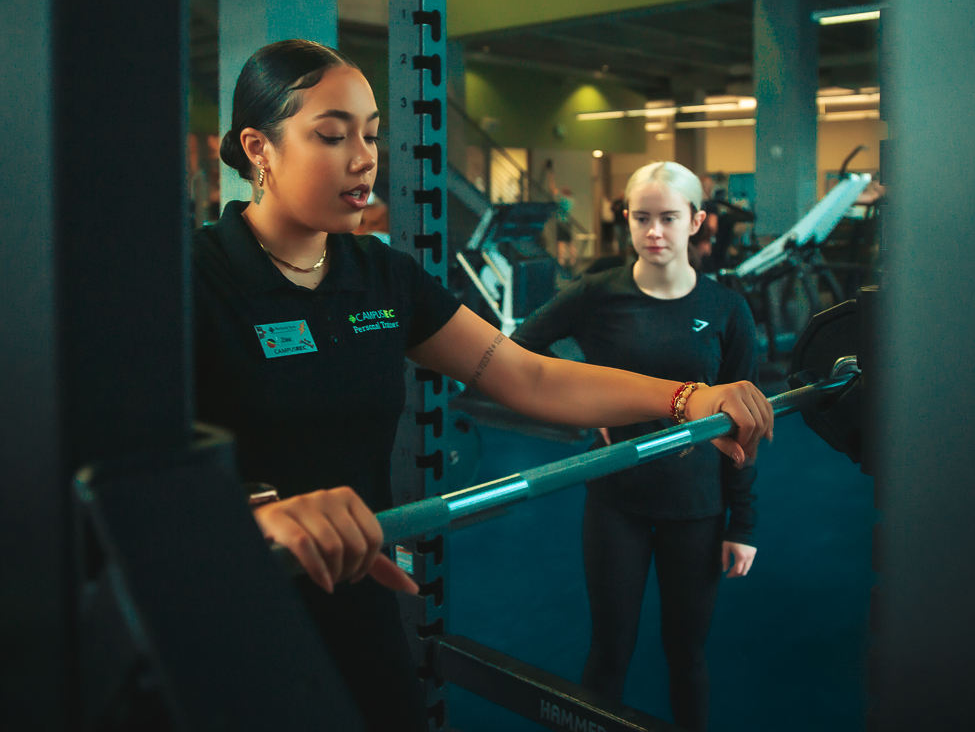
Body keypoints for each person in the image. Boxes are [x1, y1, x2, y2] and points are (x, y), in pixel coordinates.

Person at [193, 40, 773, 731]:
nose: (364, 158)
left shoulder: (380, 275)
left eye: (371, 135)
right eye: (332, 135)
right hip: (236, 598)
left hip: (360, 589)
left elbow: (527, 374)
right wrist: (252, 512)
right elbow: (126, 461)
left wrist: (686, 398)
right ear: (258, 148)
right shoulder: (197, 278)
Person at [512, 161, 761, 731]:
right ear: (625, 219)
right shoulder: (596, 294)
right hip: (616, 500)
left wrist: (743, 523)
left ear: (696, 221)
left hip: (696, 505)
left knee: (686, 653)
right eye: (641, 217)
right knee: (609, 650)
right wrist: (586, 407)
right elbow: (522, 351)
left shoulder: (726, 310)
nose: (654, 231)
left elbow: (744, 430)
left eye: (668, 218)